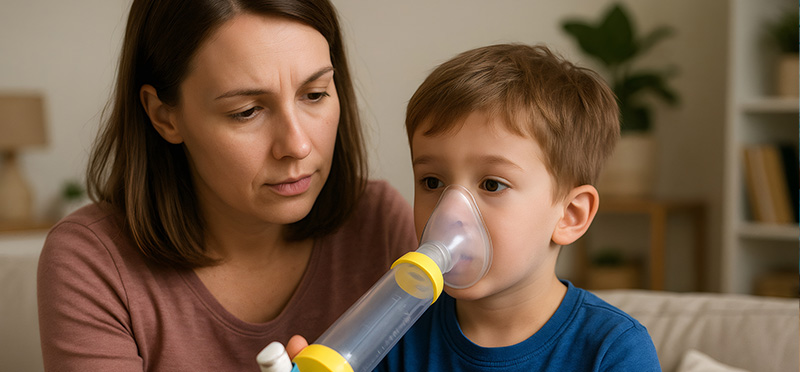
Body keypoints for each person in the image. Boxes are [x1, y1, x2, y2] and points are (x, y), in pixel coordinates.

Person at [36, 0, 417, 371]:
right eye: (246, 112)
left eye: (314, 94)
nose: (298, 145)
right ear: (164, 116)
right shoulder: (93, 263)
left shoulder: (379, 222)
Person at [374, 43, 661, 371]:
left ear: (570, 215)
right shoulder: (398, 333)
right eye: (432, 182)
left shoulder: (612, 350)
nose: (450, 213)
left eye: (492, 184)